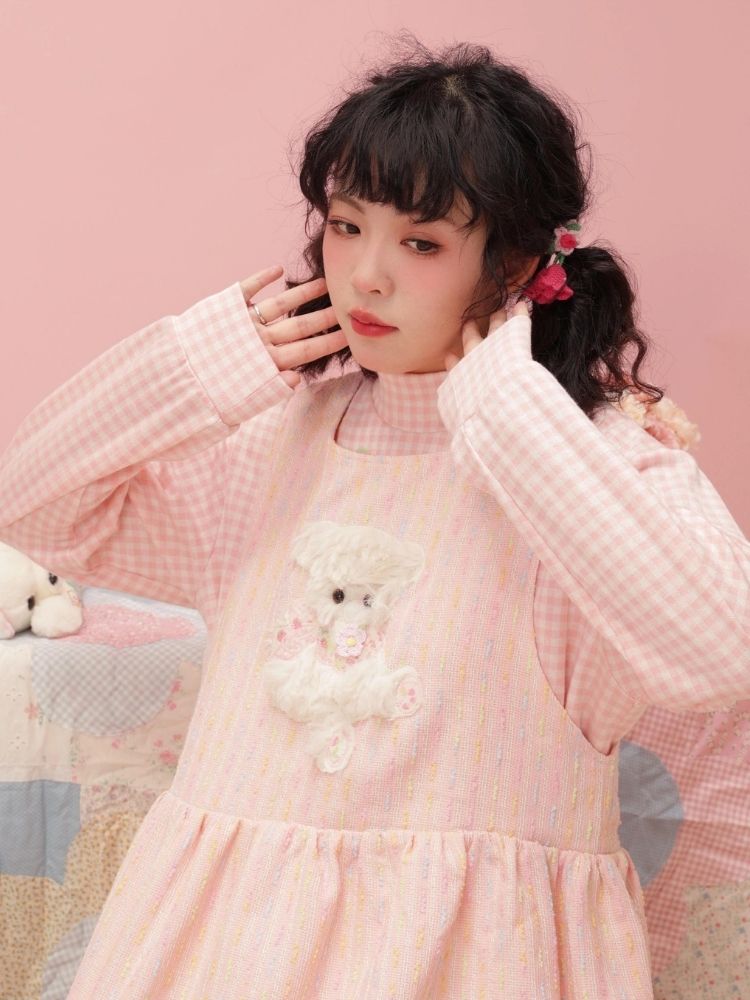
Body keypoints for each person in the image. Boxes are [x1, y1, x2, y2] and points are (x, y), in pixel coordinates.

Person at [1, 34, 748, 1000]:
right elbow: (35, 505)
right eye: (347, 226)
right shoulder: (272, 445)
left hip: (476, 962)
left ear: (518, 264)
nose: (366, 276)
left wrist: (511, 416)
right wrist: (200, 367)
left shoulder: (588, 461)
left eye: (421, 243)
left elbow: (718, 654)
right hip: (222, 948)